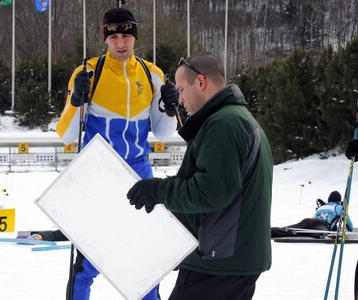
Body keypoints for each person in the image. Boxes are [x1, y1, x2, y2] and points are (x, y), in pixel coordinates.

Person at [27, 7, 178, 300]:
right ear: (105, 38)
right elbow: (67, 134)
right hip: (98, 178)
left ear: (135, 37)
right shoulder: (88, 73)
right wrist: (74, 100)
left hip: (138, 175)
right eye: (114, 36)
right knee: (88, 263)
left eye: (127, 36)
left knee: (145, 260)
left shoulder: (152, 74)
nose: (121, 43)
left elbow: (162, 133)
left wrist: (171, 108)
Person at [126, 53, 273, 300]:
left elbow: (210, 191)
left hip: (218, 263)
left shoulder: (225, 124)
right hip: (226, 258)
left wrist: (159, 191)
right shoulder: (232, 119)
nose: (180, 99)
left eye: (182, 89)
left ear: (201, 82)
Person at [271, 191, 354, 238]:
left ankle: (269, 231)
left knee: (287, 230)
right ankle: (324, 235)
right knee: (320, 232)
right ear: (339, 201)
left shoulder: (323, 206)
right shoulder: (339, 207)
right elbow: (350, 228)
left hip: (308, 221)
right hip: (321, 225)